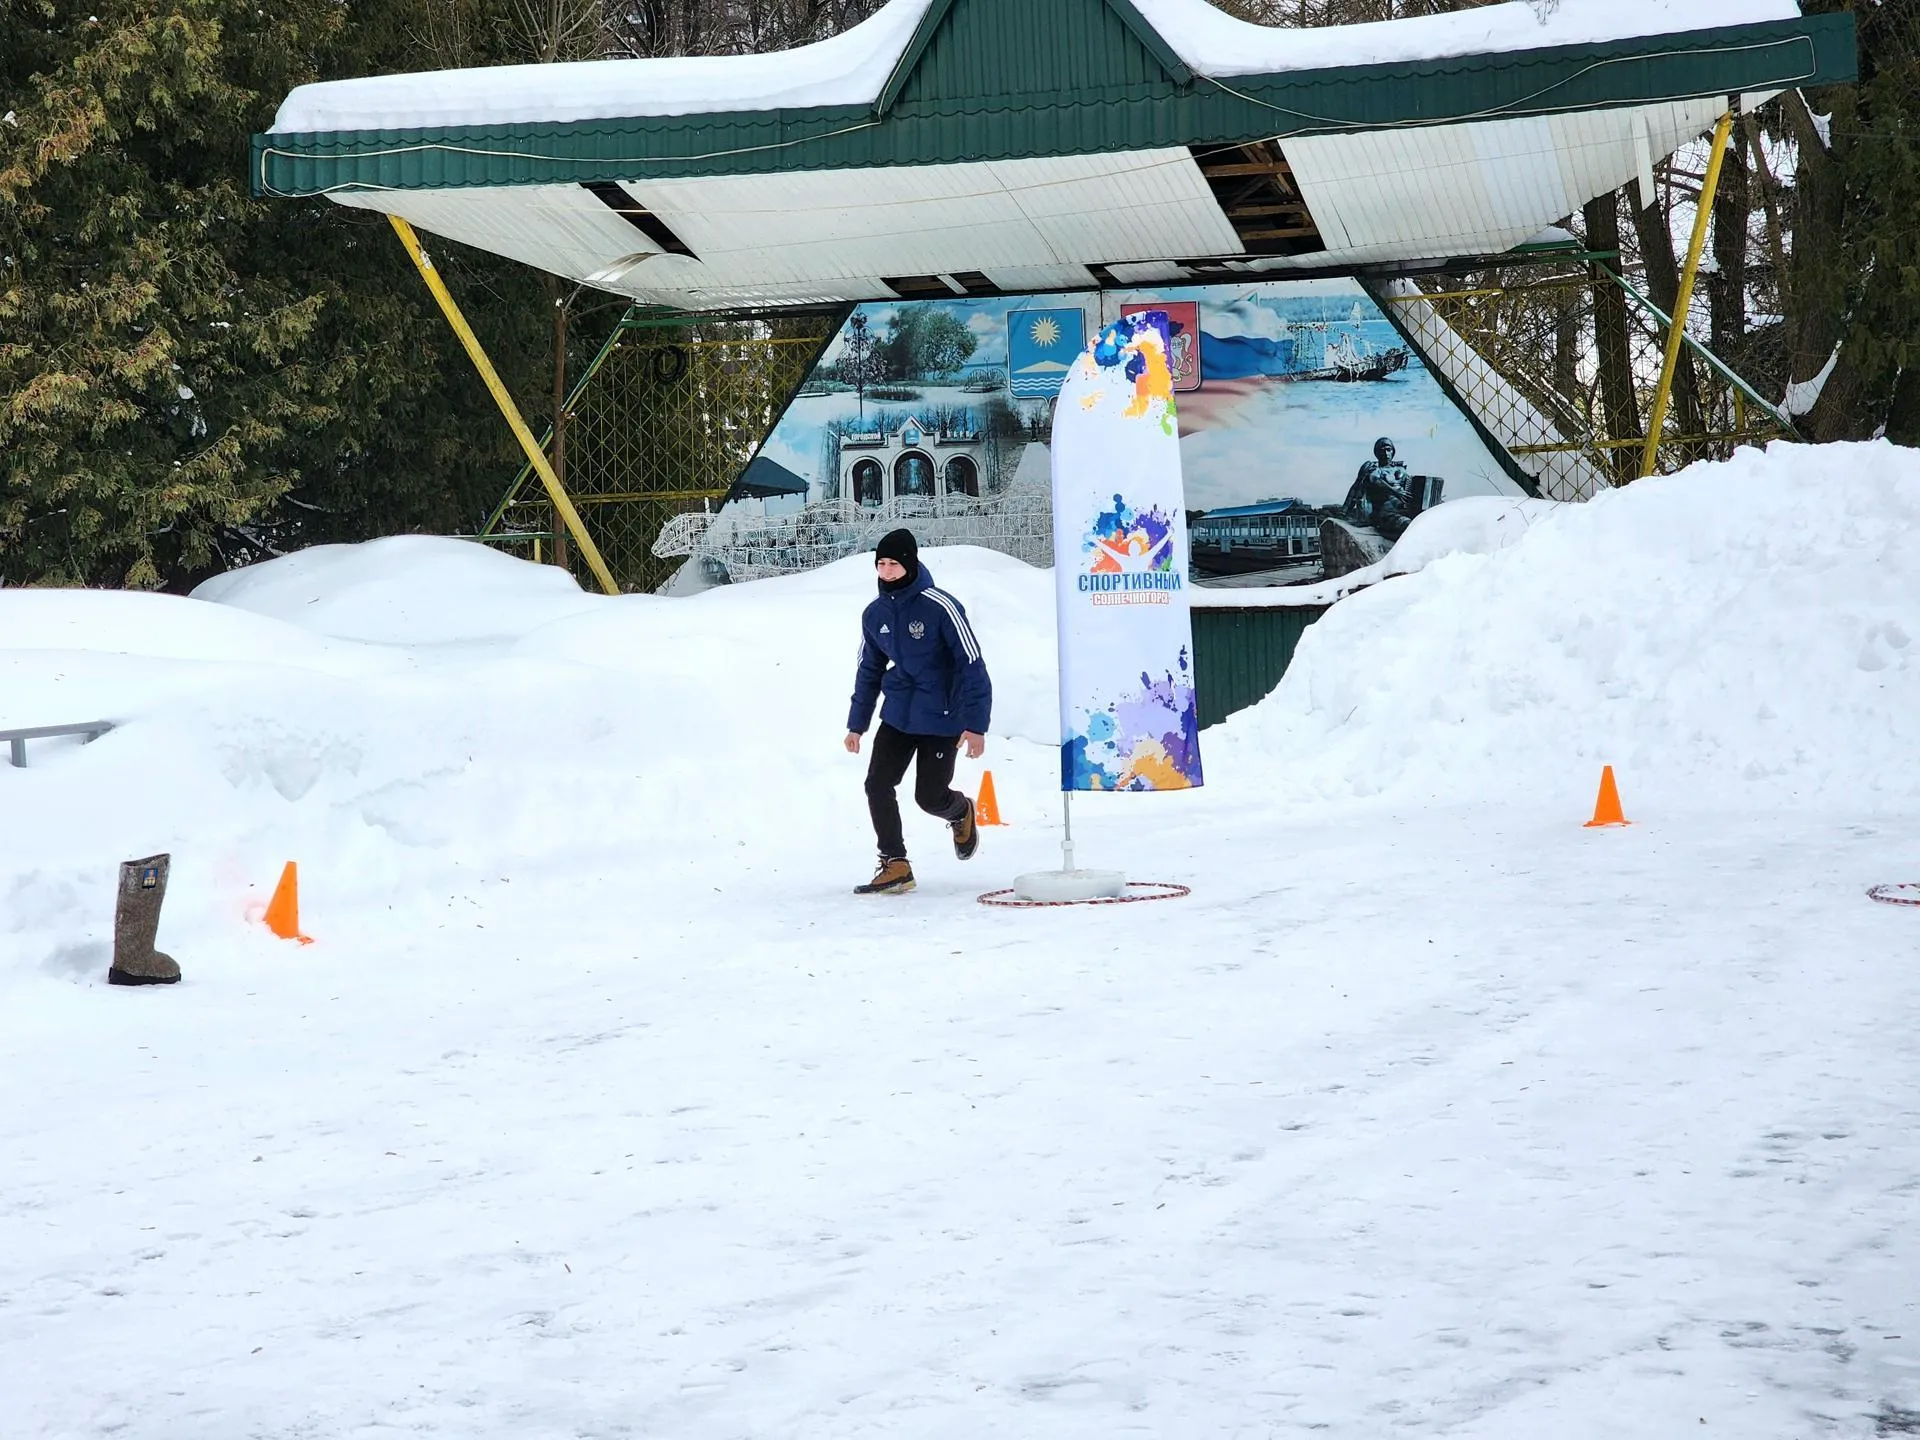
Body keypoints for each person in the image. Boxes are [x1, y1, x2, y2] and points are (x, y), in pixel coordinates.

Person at [845, 529, 992, 895]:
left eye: (893, 563)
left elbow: (972, 664)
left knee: (929, 797)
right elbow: (869, 670)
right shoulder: (874, 613)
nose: (887, 571)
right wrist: (857, 724)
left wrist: (976, 725)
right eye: (880, 564)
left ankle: (960, 812)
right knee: (877, 784)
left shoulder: (940, 606)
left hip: (942, 716)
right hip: (898, 714)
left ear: (909, 564)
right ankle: (895, 863)